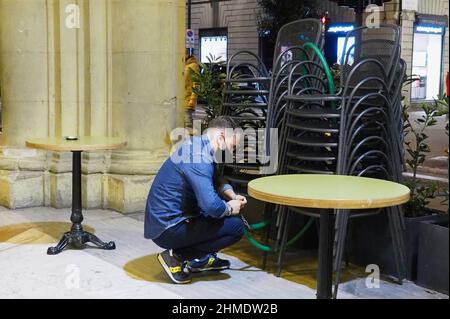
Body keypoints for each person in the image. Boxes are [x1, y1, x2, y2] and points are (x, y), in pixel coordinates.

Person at [144, 116, 247, 284]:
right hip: (168, 228)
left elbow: (215, 178)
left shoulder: (198, 145)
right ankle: (176, 257)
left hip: (165, 221)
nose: (232, 151)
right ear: (221, 136)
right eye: (232, 146)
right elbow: (212, 206)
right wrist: (229, 208)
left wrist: (232, 196)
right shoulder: (199, 157)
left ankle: (200, 259)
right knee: (235, 227)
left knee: (221, 217)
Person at [184, 48, 200, 131]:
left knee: (188, 127)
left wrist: (192, 100)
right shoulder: (183, 65)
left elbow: (196, 84)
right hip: (179, 102)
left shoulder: (193, 65)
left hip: (187, 102)